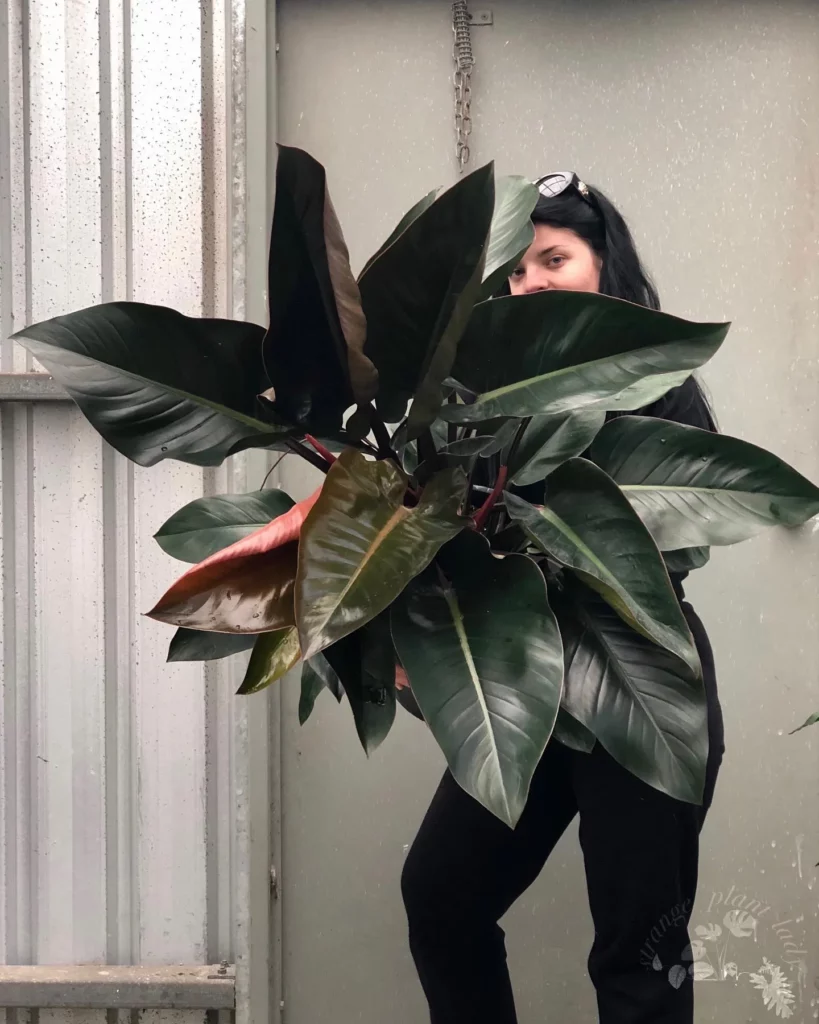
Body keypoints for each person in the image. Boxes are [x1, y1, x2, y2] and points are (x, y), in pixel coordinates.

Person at [398, 172, 725, 1024]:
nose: (530, 280)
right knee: (440, 898)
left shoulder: (656, 387)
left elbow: (672, 538)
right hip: (529, 684)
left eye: (554, 258)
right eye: (515, 268)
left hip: (638, 677)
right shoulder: (475, 401)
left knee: (637, 954)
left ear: (601, 268)